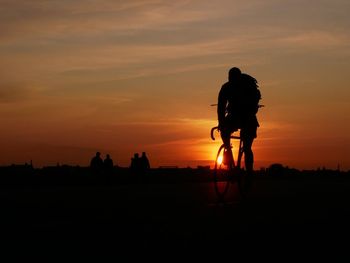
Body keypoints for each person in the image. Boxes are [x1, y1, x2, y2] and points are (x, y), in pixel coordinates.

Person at [217, 67, 261, 173]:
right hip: (241, 118)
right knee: (247, 148)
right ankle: (228, 151)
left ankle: (248, 172)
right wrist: (221, 122)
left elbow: (221, 108)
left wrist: (221, 122)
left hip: (246, 118)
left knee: (246, 147)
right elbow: (221, 107)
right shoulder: (227, 87)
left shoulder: (230, 87)